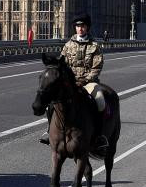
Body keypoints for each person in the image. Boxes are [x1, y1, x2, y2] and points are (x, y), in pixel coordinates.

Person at [41, 12, 106, 145]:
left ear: (87, 28)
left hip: (89, 83)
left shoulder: (95, 45)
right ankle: (49, 131)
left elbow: (97, 67)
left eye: (82, 26)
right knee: (51, 103)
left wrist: (85, 80)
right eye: (77, 26)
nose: (80, 29)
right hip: (70, 83)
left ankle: (99, 135)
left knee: (100, 101)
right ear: (75, 28)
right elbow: (61, 65)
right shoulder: (68, 45)